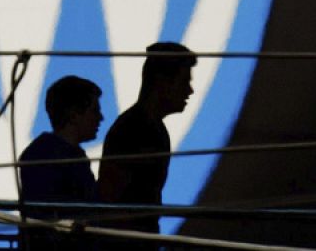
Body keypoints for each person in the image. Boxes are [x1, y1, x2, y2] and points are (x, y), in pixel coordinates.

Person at [98, 42, 197, 239]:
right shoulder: (133, 130)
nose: (190, 90)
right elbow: (110, 198)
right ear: (162, 82)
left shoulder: (151, 129)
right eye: (184, 81)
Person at [19, 75, 103, 247]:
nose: (100, 118)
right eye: (94, 110)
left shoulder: (49, 152)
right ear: (73, 115)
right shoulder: (46, 155)